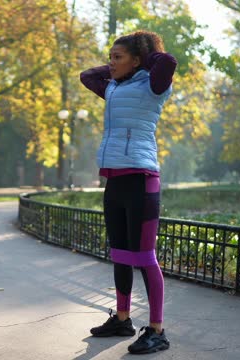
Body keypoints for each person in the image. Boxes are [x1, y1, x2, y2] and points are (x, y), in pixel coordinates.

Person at [79, 30, 177, 354]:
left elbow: (168, 61)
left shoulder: (153, 86)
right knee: (120, 253)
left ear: (137, 59)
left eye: (117, 57)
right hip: (115, 181)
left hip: (142, 179)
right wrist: (120, 66)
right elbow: (86, 75)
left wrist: (143, 56)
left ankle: (158, 330)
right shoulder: (114, 88)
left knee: (145, 257)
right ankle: (122, 319)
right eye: (110, 57)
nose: (110, 63)